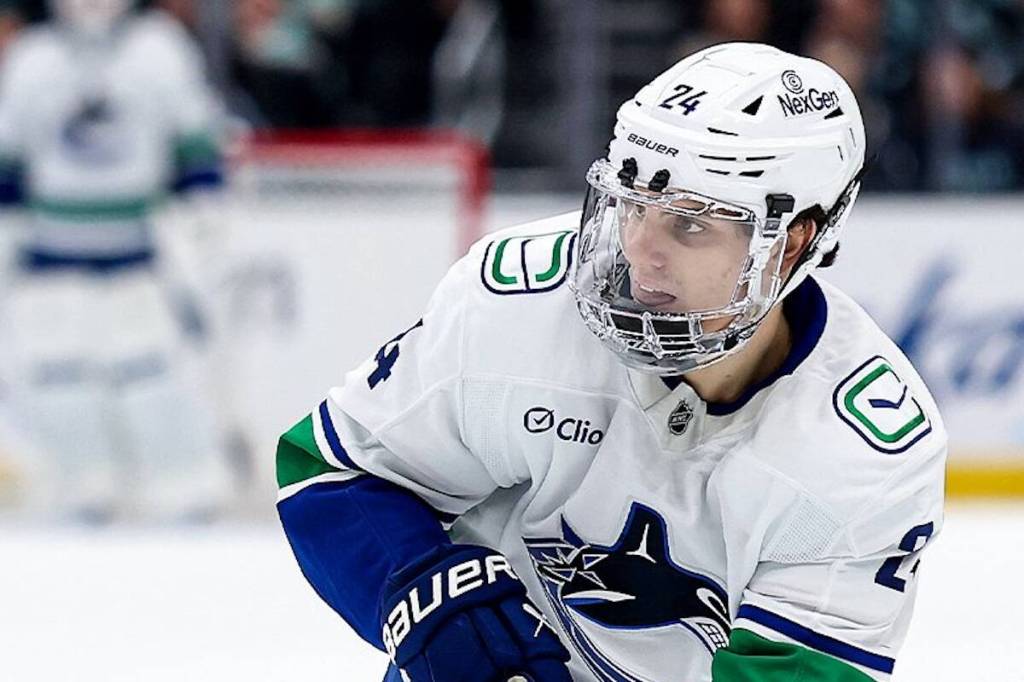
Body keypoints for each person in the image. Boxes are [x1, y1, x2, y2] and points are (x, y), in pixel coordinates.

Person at [277, 43, 946, 681]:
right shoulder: (516, 307)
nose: (638, 254)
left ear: (793, 241)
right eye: (631, 205)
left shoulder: (867, 457)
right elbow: (330, 468)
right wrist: (422, 594)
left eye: (690, 224)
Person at [0, 0, 231, 521]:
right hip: (50, 252)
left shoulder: (159, 48)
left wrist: (203, 213)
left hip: (138, 250)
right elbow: (8, 158)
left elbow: (195, 142)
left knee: (150, 371)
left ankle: (184, 485)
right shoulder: (33, 57)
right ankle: (83, 486)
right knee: (57, 373)